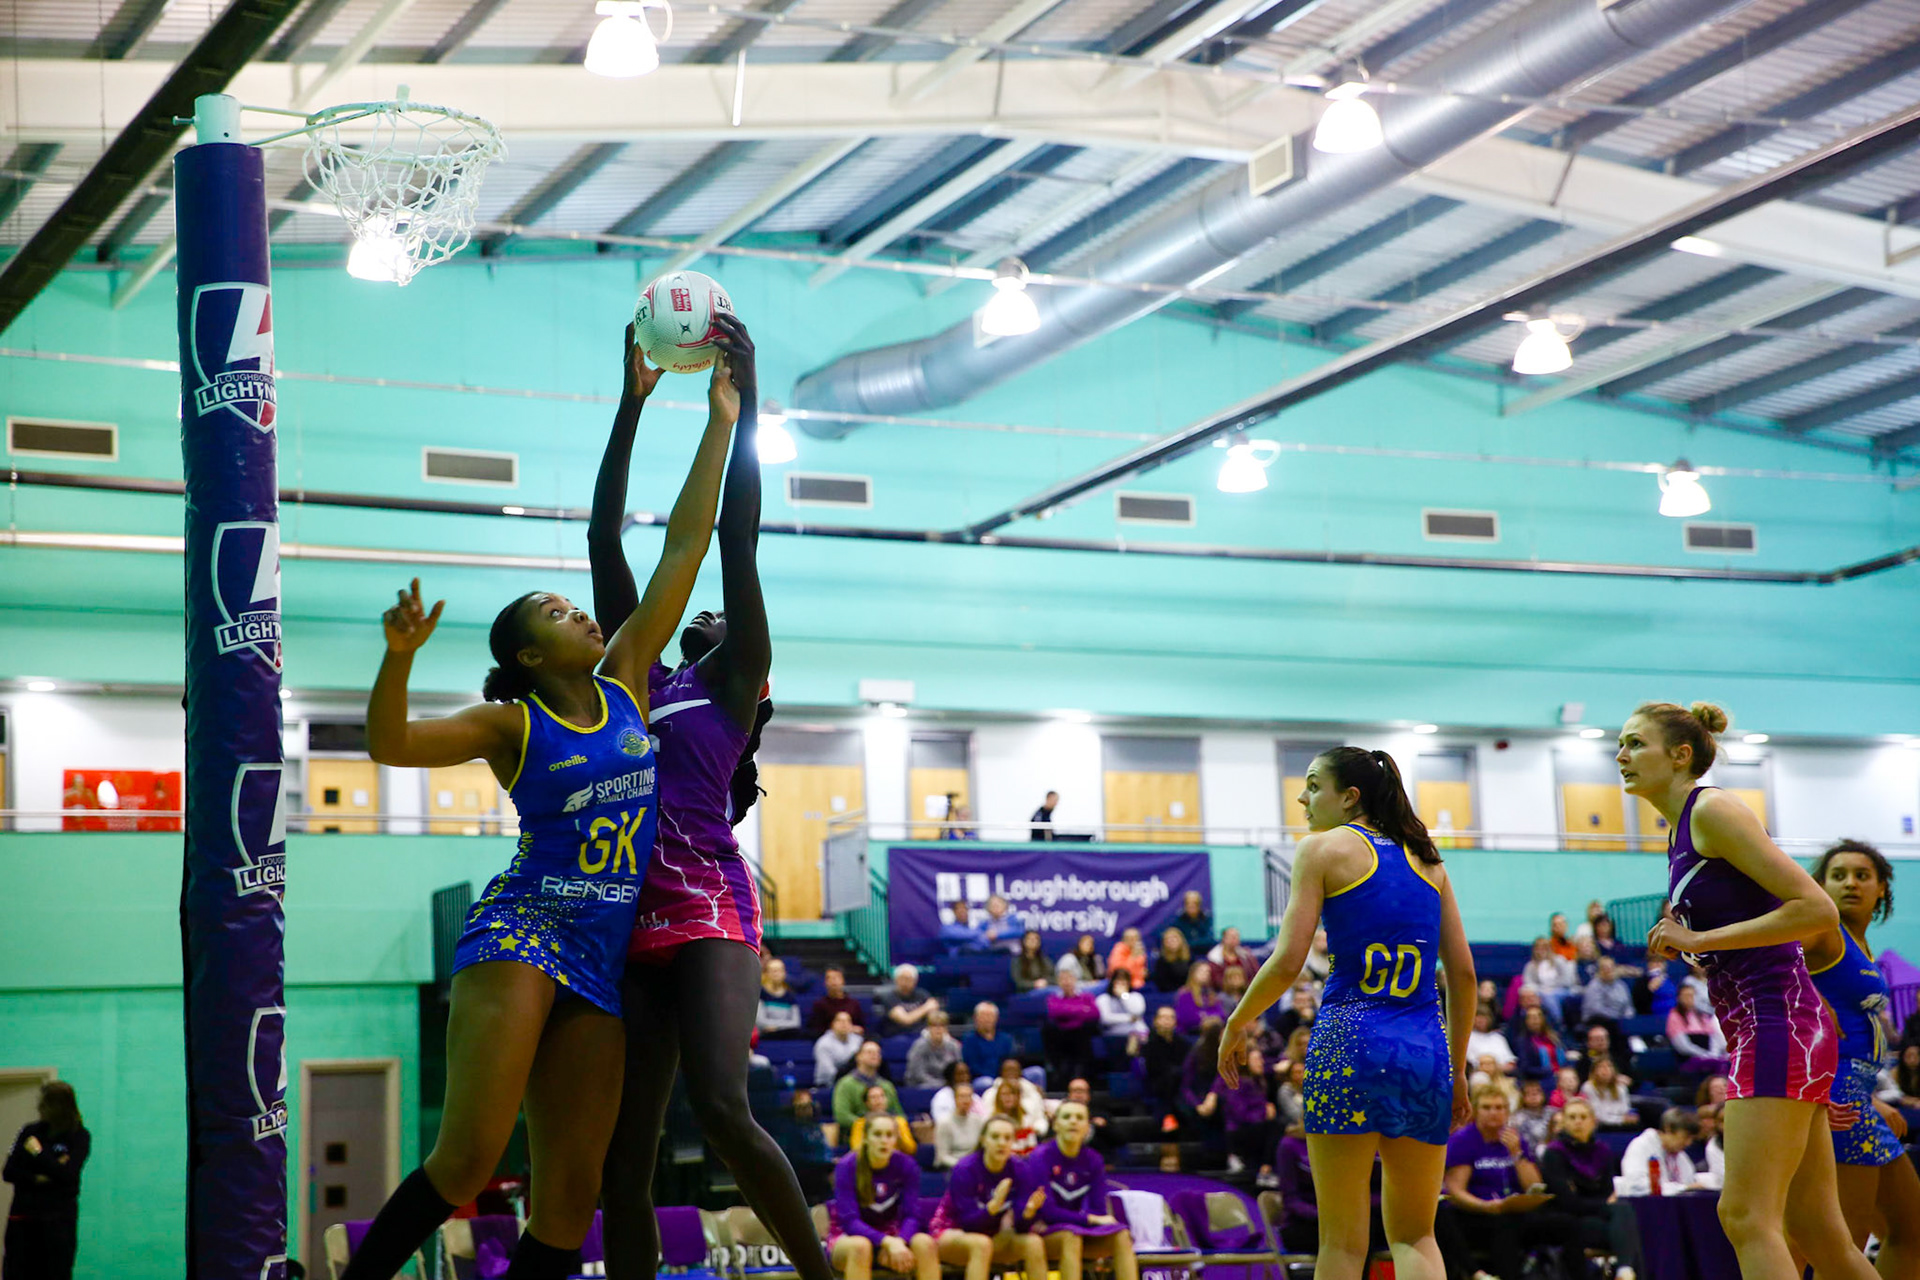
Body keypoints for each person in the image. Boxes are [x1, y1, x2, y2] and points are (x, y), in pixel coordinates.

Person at [343, 325, 743, 1280]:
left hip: (603, 954)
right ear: (527, 655)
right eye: (557, 613)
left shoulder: (629, 681)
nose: (581, 611)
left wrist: (719, 421)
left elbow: (687, 543)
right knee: (471, 1160)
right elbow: (391, 745)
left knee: (570, 1200)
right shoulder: (510, 724)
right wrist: (397, 661)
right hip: (524, 931)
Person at [1627, 701, 1874, 1280]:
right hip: (1780, 1025)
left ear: (1681, 755)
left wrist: (1700, 935)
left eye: (1636, 743)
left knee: (1744, 1215)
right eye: (1622, 743)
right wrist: (1695, 945)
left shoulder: (1712, 809)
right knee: (1818, 1234)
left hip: (1776, 1023)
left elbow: (1815, 910)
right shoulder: (1682, 829)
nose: (1621, 755)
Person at [1221, 746, 1476, 1280]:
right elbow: (1465, 977)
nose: (1302, 796)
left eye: (1313, 784)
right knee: (1415, 1234)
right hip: (1425, 1051)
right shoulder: (1429, 862)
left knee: (1341, 1243)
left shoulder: (1320, 849)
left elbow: (1289, 960)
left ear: (1349, 797)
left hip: (1349, 1043)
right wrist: (1456, 1073)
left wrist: (1237, 1019)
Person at [1806, 839, 1920, 1274]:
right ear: (1820, 886)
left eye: (1861, 875)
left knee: (1910, 1231)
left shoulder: (1861, 945)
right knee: (1842, 1250)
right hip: (1836, 1098)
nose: (1850, 883)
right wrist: (1809, 993)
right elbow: (1759, 961)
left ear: (1882, 890)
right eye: (1838, 875)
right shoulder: (1820, 928)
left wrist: (1872, 1098)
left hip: (1860, 1096)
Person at [1435, 1086, 1570, 1280]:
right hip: (1476, 1213)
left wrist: (1516, 1154)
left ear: (1507, 1112)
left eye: (1499, 1107)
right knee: (1505, 1226)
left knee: (1569, 1225)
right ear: (1475, 1111)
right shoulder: (1463, 1140)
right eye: (1487, 1107)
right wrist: (1487, 1207)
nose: (1494, 1112)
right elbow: (1456, 1191)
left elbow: (1534, 1187)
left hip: (1513, 1212)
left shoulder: (1515, 1139)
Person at [1025, 1101, 1139, 1280]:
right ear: (1055, 1125)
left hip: (1076, 1231)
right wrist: (1089, 1219)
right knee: (1071, 1237)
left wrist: (1089, 1220)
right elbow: (1047, 1212)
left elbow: (1099, 1209)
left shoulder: (1093, 1159)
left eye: (1079, 1118)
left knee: (1121, 1235)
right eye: (1066, 1117)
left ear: (1087, 1127)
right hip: (1041, 1233)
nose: (1073, 1122)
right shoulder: (1040, 1157)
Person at [930, 1115, 1049, 1280]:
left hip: (994, 1235)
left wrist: (1028, 1212)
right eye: (995, 1137)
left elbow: (1021, 1228)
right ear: (983, 1139)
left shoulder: (1020, 1169)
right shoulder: (965, 1169)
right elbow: (967, 1223)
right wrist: (993, 1206)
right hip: (952, 1232)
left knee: (1033, 1243)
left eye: (1007, 1138)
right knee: (981, 1244)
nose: (1001, 1142)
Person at [1539, 1097, 1638, 1279]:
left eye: (1583, 1117)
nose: (1578, 1121)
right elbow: (1567, 1202)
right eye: (1572, 1117)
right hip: (1570, 1222)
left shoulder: (1603, 1151)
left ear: (1593, 1122)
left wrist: (1591, 1198)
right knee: (1627, 1228)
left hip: (1599, 1218)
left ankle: (1624, 1270)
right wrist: (1602, 1204)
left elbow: (1607, 1191)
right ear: (1564, 1122)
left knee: (1625, 1216)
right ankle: (1626, 1271)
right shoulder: (1554, 1153)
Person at [828, 1115, 936, 1280]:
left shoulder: (907, 1165)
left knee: (925, 1243)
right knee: (861, 1247)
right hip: (849, 1236)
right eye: (877, 1134)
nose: (884, 1140)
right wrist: (886, 1242)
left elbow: (912, 1215)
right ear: (865, 1138)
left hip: (893, 1235)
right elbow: (849, 1221)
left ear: (896, 1139)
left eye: (889, 1135)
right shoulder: (847, 1166)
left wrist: (900, 1241)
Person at [3, 1081, 89, 1280]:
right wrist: (39, 1176)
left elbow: (68, 1176)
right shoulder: (28, 1132)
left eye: (45, 1103)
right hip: (22, 1221)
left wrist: (38, 1153)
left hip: (58, 1224)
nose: (40, 1108)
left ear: (61, 1106)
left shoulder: (79, 1137)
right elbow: (9, 1172)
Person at [1201, 1045, 1278, 1180]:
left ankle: (1267, 1168)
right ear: (1246, 1061)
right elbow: (1239, 1114)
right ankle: (1264, 1169)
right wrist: (1264, 1113)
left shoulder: (1258, 1082)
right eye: (1257, 1059)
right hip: (1238, 1132)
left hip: (1255, 1129)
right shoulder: (1238, 1083)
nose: (1262, 1062)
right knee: (1277, 1126)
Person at [1617, 1108, 1704, 1195]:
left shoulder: (1681, 1156)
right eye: (1686, 1137)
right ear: (1668, 1129)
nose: (1688, 1143)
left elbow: (1691, 1183)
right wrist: (1682, 1188)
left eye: (1692, 1139)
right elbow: (1636, 1185)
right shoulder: (1641, 1146)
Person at [1272, 1128, 1320, 1253]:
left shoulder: (1340, 1143)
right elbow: (1291, 1200)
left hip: (1335, 1222)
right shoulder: (1289, 1145)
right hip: (1301, 1224)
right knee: (1346, 1238)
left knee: (1363, 1230)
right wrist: (1322, 1215)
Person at [834, 1042, 902, 1129]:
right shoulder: (845, 1084)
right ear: (858, 1057)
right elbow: (842, 1116)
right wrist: (869, 1126)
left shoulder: (887, 1086)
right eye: (869, 1052)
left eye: (878, 1053)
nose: (875, 1055)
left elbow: (899, 1114)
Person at [1665, 982, 1729, 1074]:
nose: (1689, 999)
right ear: (1679, 998)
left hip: (1707, 1055)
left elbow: (1713, 1037)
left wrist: (1714, 1054)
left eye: (1692, 995)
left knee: (1726, 1062)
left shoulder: (1700, 1015)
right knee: (1718, 1064)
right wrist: (1704, 1054)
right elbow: (1682, 1046)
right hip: (1689, 1058)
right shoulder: (1675, 1016)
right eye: (1686, 996)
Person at [981, 1058, 1049, 1143]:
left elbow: (1040, 1119)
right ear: (1001, 1073)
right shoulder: (990, 1094)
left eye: (1014, 1071)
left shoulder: (1032, 1092)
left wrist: (1035, 1129)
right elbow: (984, 1120)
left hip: (1027, 1138)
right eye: (1008, 1070)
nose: (1011, 1074)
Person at [1140, 1005, 1189, 1122]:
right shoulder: (1149, 1043)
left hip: (1180, 1081)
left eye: (1170, 1017)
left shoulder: (1182, 1043)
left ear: (1175, 1022)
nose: (1167, 1020)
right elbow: (1153, 1068)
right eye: (1163, 1017)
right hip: (1158, 1083)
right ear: (1155, 1021)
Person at [849, 1084, 918, 1156]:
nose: (878, 1100)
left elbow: (911, 1149)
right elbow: (856, 1149)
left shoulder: (899, 1121)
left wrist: (899, 1136)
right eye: (873, 1097)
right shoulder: (860, 1123)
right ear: (867, 1102)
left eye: (882, 1096)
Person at [1522, 936, 1577, 1023]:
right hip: (1540, 991)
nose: (1541, 951)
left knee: (1549, 996)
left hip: (1561, 990)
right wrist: (1541, 989)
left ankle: (1558, 1022)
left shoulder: (1559, 961)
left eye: (1544, 948)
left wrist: (1550, 987)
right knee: (1530, 997)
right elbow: (1529, 983)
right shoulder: (1530, 966)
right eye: (1538, 948)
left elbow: (1567, 980)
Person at [934, 1082, 988, 1170]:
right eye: (962, 1096)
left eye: (968, 1096)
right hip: (952, 1168)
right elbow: (943, 1157)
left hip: (974, 1166)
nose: (965, 1100)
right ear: (955, 1099)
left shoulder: (978, 1121)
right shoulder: (944, 1123)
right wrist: (963, 1165)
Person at [988, 1076, 1043, 1156]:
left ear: (1018, 1097)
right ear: (998, 1098)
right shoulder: (991, 1120)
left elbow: (1031, 1149)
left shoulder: (1026, 1119)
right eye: (1004, 1094)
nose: (1008, 1097)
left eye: (1012, 1093)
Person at [907, 1011, 964, 1088]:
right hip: (921, 1084)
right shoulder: (919, 1046)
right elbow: (918, 1074)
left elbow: (957, 1069)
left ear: (946, 1028)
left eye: (941, 1025)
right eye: (934, 1026)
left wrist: (947, 1083)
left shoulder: (954, 1046)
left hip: (947, 1085)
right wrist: (939, 1084)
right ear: (928, 1028)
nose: (938, 1029)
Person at [1510, 1005, 1565, 1081]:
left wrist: (1563, 1071)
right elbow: (1525, 1068)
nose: (1535, 1019)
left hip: (1561, 1075)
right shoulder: (1522, 1042)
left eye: (1538, 1016)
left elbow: (1565, 1057)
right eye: (1531, 1017)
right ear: (1526, 1021)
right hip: (1540, 1078)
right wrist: (1549, 1072)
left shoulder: (1554, 1037)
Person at [961, 1004, 1016, 1080]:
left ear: (996, 1018)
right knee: (987, 1081)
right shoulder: (969, 1039)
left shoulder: (1006, 1039)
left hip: (1004, 1078)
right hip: (980, 1079)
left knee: (1034, 1072)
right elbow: (971, 1066)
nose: (987, 1019)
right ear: (975, 1018)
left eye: (990, 1016)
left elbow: (1010, 1062)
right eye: (983, 1016)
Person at [877, 965, 939, 1032]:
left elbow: (934, 1014)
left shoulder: (923, 994)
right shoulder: (889, 997)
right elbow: (906, 1020)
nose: (905, 982)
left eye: (908, 979)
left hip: (921, 1034)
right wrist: (926, 1008)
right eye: (902, 979)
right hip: (897, 1035)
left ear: (915, 981)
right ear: (896, 980)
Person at [809, 966, 867, 1037]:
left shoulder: (854, 1004)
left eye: (836, 977)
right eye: (829, 978)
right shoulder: (820, 1004)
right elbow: (815, 1030)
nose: (833, 981)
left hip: (852, 1040)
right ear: (825, 982)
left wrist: (857, 1029)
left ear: (843, 980)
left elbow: (862, 1027)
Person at [1580, 955, 1634, 1031]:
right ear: (1599, 971)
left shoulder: (1621, 985)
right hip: (1597, 1021)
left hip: (1619, 1021)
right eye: (1605, 968)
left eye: (1611, 967)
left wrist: (1627, 1018)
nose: (1609, 970)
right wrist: (1616, 1018)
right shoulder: (1594, 986)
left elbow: (1628, 1006)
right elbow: (1596, 1009)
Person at [1580, 1057, 1635, 1131]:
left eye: (1609, 1066)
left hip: (1620, 1126)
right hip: (1600, 1126)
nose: (1605, 1070)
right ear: (1594, 1071)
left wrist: (1623, 1119)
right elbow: (1598, 1116)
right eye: (1601, 1067)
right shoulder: (1588, 1088)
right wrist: (1620, 1120)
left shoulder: (1621, 1088)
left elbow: (1625, 1110)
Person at [757, 958, 806, 1039]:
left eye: (779, 970)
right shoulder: (761, 993)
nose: (776, 974)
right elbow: (760, 1021)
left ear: (784, 973)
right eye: (773, 971)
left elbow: (796, 1022)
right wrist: (785, 1025)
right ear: (766, 973)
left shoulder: (790, 996)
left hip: (787, 1036)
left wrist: (775, 1027)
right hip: (766, 1038)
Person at [1096, 967, 1147, 1043]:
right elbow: (1105, 1019)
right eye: (1118, 982)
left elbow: (1137, 1012)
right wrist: (1129, 1018)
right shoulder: (1103, 998)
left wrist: (1123, 996)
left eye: (1124, 983)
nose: (1120, 986)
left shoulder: (1136, 996)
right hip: (1113, 1034)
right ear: (1112, 983)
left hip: (1136, 1032)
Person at [1174, 962, 1224, 1035]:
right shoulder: (1184, 994)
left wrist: (1207, 1017)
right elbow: (1187, 1018)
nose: (1205, 974)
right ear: (1193, 974)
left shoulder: (1211, 994)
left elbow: (1221, 1015)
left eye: (1207, 972)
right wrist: (1208, 1018)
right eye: (1201, 971)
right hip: (1190, 1033)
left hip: (1211, 1032)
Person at [816, 1010, 863, 1087]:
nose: (844, 1024)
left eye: (848, 1021)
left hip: (855, 1082)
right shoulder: (823, 1043)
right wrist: (847, 1082)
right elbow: (828, 1071)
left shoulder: (858, 1041)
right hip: (828, 1083)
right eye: (840, 1021)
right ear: (832, 1024)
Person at [931, 1063, 986, 1127]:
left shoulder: (974, 1097)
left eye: (967, 1073)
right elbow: (940, 1122)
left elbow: (984, 1119)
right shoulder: (942, 1097)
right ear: (951, 1076)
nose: (965, 1077)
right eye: (960, 1074)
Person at [1465, 1005, 1514, 1071]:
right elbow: (1471, 1063)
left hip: (1501, 1074)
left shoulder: (1498, 1038)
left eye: (1484, 1017)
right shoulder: (1468, 1038)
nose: (1481, 1020)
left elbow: (1510, 1062)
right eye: (1478, 1017)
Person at [1511, 1077, 1552, 1152]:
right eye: (1529, 1094)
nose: (1533, 1096)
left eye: (1537, 1093)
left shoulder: (1553, 1113)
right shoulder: (1516, 1118)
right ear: (1523, 1097)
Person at [1149, 928, 1192, 993]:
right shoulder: (1161, 961)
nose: (1171, 941)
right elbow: (1162, 983)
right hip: (1171, 993)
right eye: (1167, 940)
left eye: (1174, 938)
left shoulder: (1191, 957)